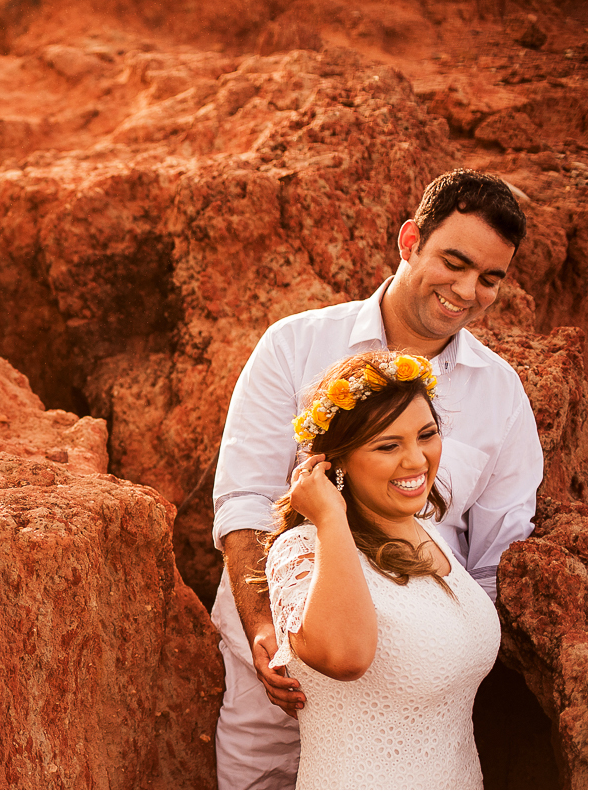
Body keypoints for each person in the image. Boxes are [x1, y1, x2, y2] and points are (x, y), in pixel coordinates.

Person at [210, 168, 543, 789]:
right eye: (454, 262)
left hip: (412, 691)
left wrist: (449, 663)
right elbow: (245, 501)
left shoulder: (501, 394)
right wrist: (263, 629)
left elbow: (496, 555)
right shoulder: (294, 346)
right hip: (277, 664)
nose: (466, 290)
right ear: (410, 240)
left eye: (489, 278)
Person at [257, 351, 499, 789]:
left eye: (426, 435)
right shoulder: (301, 550)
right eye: (388, 445)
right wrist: (330, 517)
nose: (417, 460)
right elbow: (346, 658)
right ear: (337, 461)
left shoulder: (426, 531)